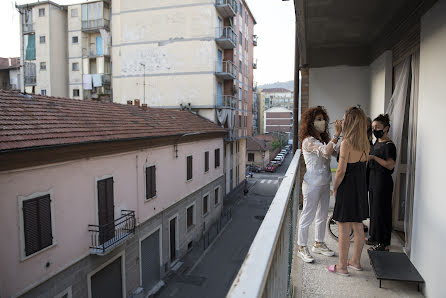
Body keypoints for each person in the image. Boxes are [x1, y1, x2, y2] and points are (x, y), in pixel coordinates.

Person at [327, 106, 370, 276]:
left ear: (350, 122)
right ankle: (355, 262)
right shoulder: (366, 143)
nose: (342, 121)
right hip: (360, 189)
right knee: (358, 227)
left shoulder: (346, 143)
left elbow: (341, 171)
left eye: (345, 118)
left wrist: (335, 187)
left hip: (347, 189)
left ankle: (342, 267)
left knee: (343, 229)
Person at [297, 106, 342, 263]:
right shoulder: (308, 141)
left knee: (322, 215)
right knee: (307, 216)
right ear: (310, 122)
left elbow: (335, 152)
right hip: (312, 184)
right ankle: (301, 247)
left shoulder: (322, 140)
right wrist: (337, 134)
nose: (322, 122)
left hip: (324, 183)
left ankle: (318, 243)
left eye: (323, 119)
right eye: (318, 119)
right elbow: (325, 152)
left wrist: (344, 137)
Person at [367, 114, 396, 251]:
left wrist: (373, 157)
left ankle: (383, 242)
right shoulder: (377, 142)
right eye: (373, 127)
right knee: (374, 209)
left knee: (382, 211)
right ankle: (374, 236)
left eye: (377, 127)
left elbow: (390, 165)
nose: (375, 130)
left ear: (386, 128)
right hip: (373, 179)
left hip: (383, 181)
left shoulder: (389, 146)